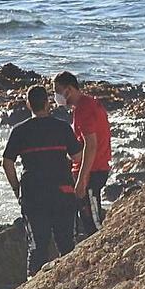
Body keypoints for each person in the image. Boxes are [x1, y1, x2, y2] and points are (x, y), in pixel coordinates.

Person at [2, 84, 82, 277]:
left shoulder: (20, 131)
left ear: (29, 105)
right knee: (66, 243)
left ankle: (32, 286)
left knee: (37, 245)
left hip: (33, 194)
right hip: (61, 191)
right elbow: (78, 157)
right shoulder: (62, 127)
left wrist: (17, 189)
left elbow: (7, 163)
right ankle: (69, 282)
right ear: (47, 103)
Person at [53, 71, 112, 239]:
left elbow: (91, 145)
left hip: (93, 170)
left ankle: (103, 251)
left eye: (58, 91)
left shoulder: (84, 109)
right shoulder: (89, 104)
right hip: (92, 167)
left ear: (69, 89)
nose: (56, 96)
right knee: (86, 218)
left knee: (93, 221)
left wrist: (81, 179)